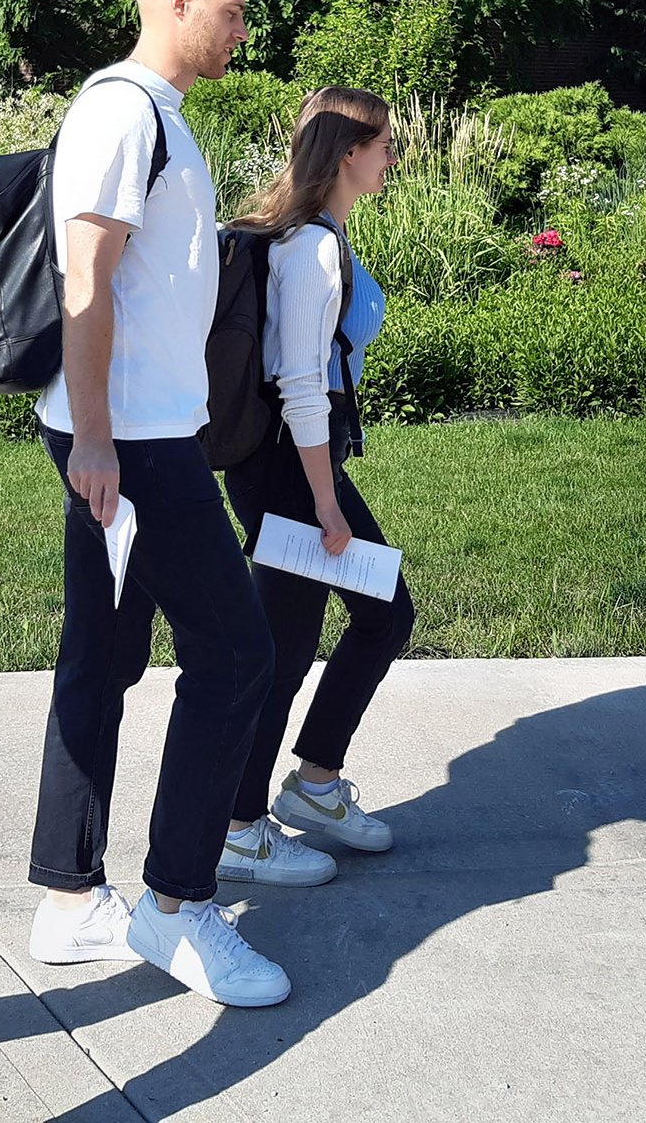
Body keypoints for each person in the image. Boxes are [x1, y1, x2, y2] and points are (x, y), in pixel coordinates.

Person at [23, 0, 292, 1008]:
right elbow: (81, 276)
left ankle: (66, 898)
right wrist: (94, 437)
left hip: (134, 432)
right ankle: (174, 909)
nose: (239, 30)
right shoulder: (121, 111)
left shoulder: (160, 119)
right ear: (178, 1)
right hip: (126, 441)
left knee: (104, 653)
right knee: (236, 655)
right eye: (228, 12)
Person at [214, 87, 414, 886]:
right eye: (384, 145)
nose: (392, 156)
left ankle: (314, 785)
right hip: (291, 468)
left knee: (359, 619)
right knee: (315, 637)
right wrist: (327, 500)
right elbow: (300, 383)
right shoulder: (311, 250)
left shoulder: (319, 235)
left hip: (295, 463)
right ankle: (240, 822)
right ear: (347, 154)